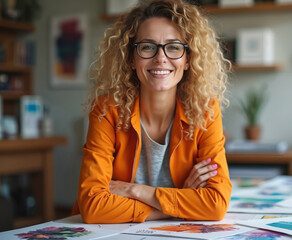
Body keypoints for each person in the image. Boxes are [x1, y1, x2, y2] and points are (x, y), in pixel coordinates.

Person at [71, 0, 232, 223]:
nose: (160, 58)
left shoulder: (205, 111)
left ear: (188, 59)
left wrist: (136, 190)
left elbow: (215, 205)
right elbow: (92, 206)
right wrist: (181, 203)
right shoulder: (106, 110)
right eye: (147, 46)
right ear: (131, 58)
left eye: (174, 47)